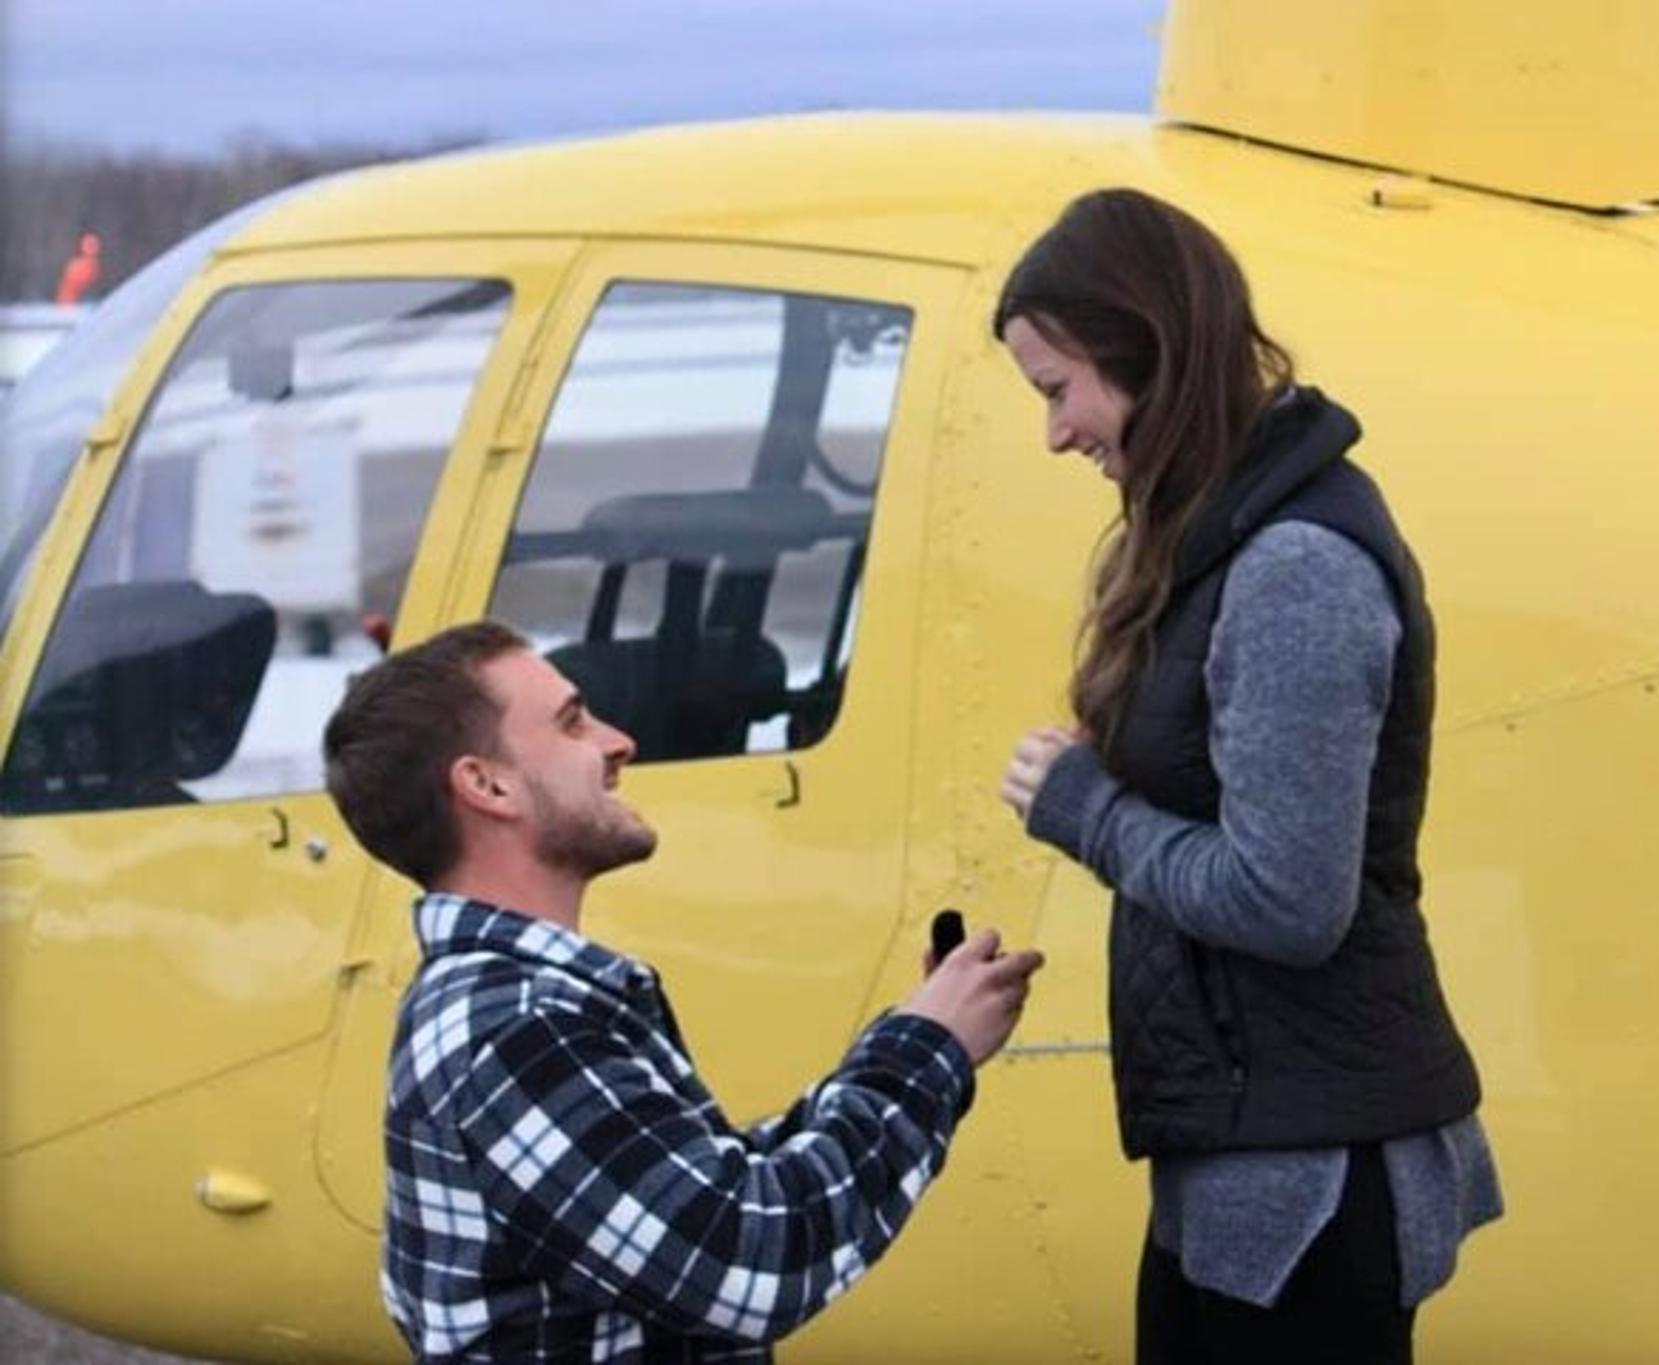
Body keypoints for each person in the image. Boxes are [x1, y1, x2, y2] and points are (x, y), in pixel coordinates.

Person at [994, 189, 1501, 1364]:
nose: (1055, 433)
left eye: (1056, 391)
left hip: (1310, 1182)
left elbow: (1288, 900)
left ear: (1147, 355)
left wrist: (1087, 813)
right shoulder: (1208, 539)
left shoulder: (1294, 569)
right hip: (1247, 1154)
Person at [323, 620, 1044, 1363]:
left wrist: (917, 1037)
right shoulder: (517, 1030)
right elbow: (748, 1261)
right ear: (487, 784)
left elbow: (708, 1189)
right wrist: (927, 1054)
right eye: (573, 722)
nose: (618, 741)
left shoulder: (516, 1009)